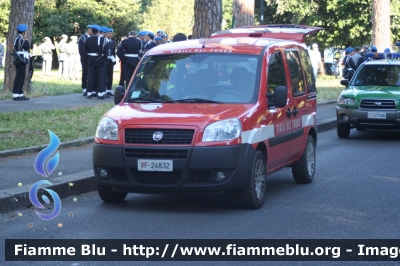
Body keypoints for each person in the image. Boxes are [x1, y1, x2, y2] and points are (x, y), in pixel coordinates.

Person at [83, 25, 108, 99]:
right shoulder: (103, 39)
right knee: (100, 76)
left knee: (90, 76)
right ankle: (100, 93)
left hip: (91, 59)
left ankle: (89, 92)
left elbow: (85, 51)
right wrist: (105, 60)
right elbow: (105, 51)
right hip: (100, 59)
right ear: (98, 31)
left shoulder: (88, 39)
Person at [12, 24, 30, 100]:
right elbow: (27, 46)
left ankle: (20, 94)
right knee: (19, 77)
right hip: (20, 60)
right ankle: (16, 94)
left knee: (21, 77)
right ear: (24, 32)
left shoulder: (20, 38)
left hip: (22, 59)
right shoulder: (19, 39)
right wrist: (26, 39)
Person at [78, 25, 94, 96]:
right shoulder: (83, 38)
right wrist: (86, 58)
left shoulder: (92, 38)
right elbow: (81, 50)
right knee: (85, 73)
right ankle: (84, 88)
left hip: (91, 59)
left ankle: (90, 88)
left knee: (90, 74)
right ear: (89, 29)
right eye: (92, 30)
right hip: (85, 59)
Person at [105, 27, 116, 96]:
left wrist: (114, 59)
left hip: (111, 60)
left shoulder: (112, 42)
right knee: (104, 75)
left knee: (110, 75)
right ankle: (103, 89)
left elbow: (113, 52)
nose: (110, 35)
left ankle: (109, 89)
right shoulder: (104, 41)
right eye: (109, 33)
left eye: (111, 33)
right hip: (105, 60)